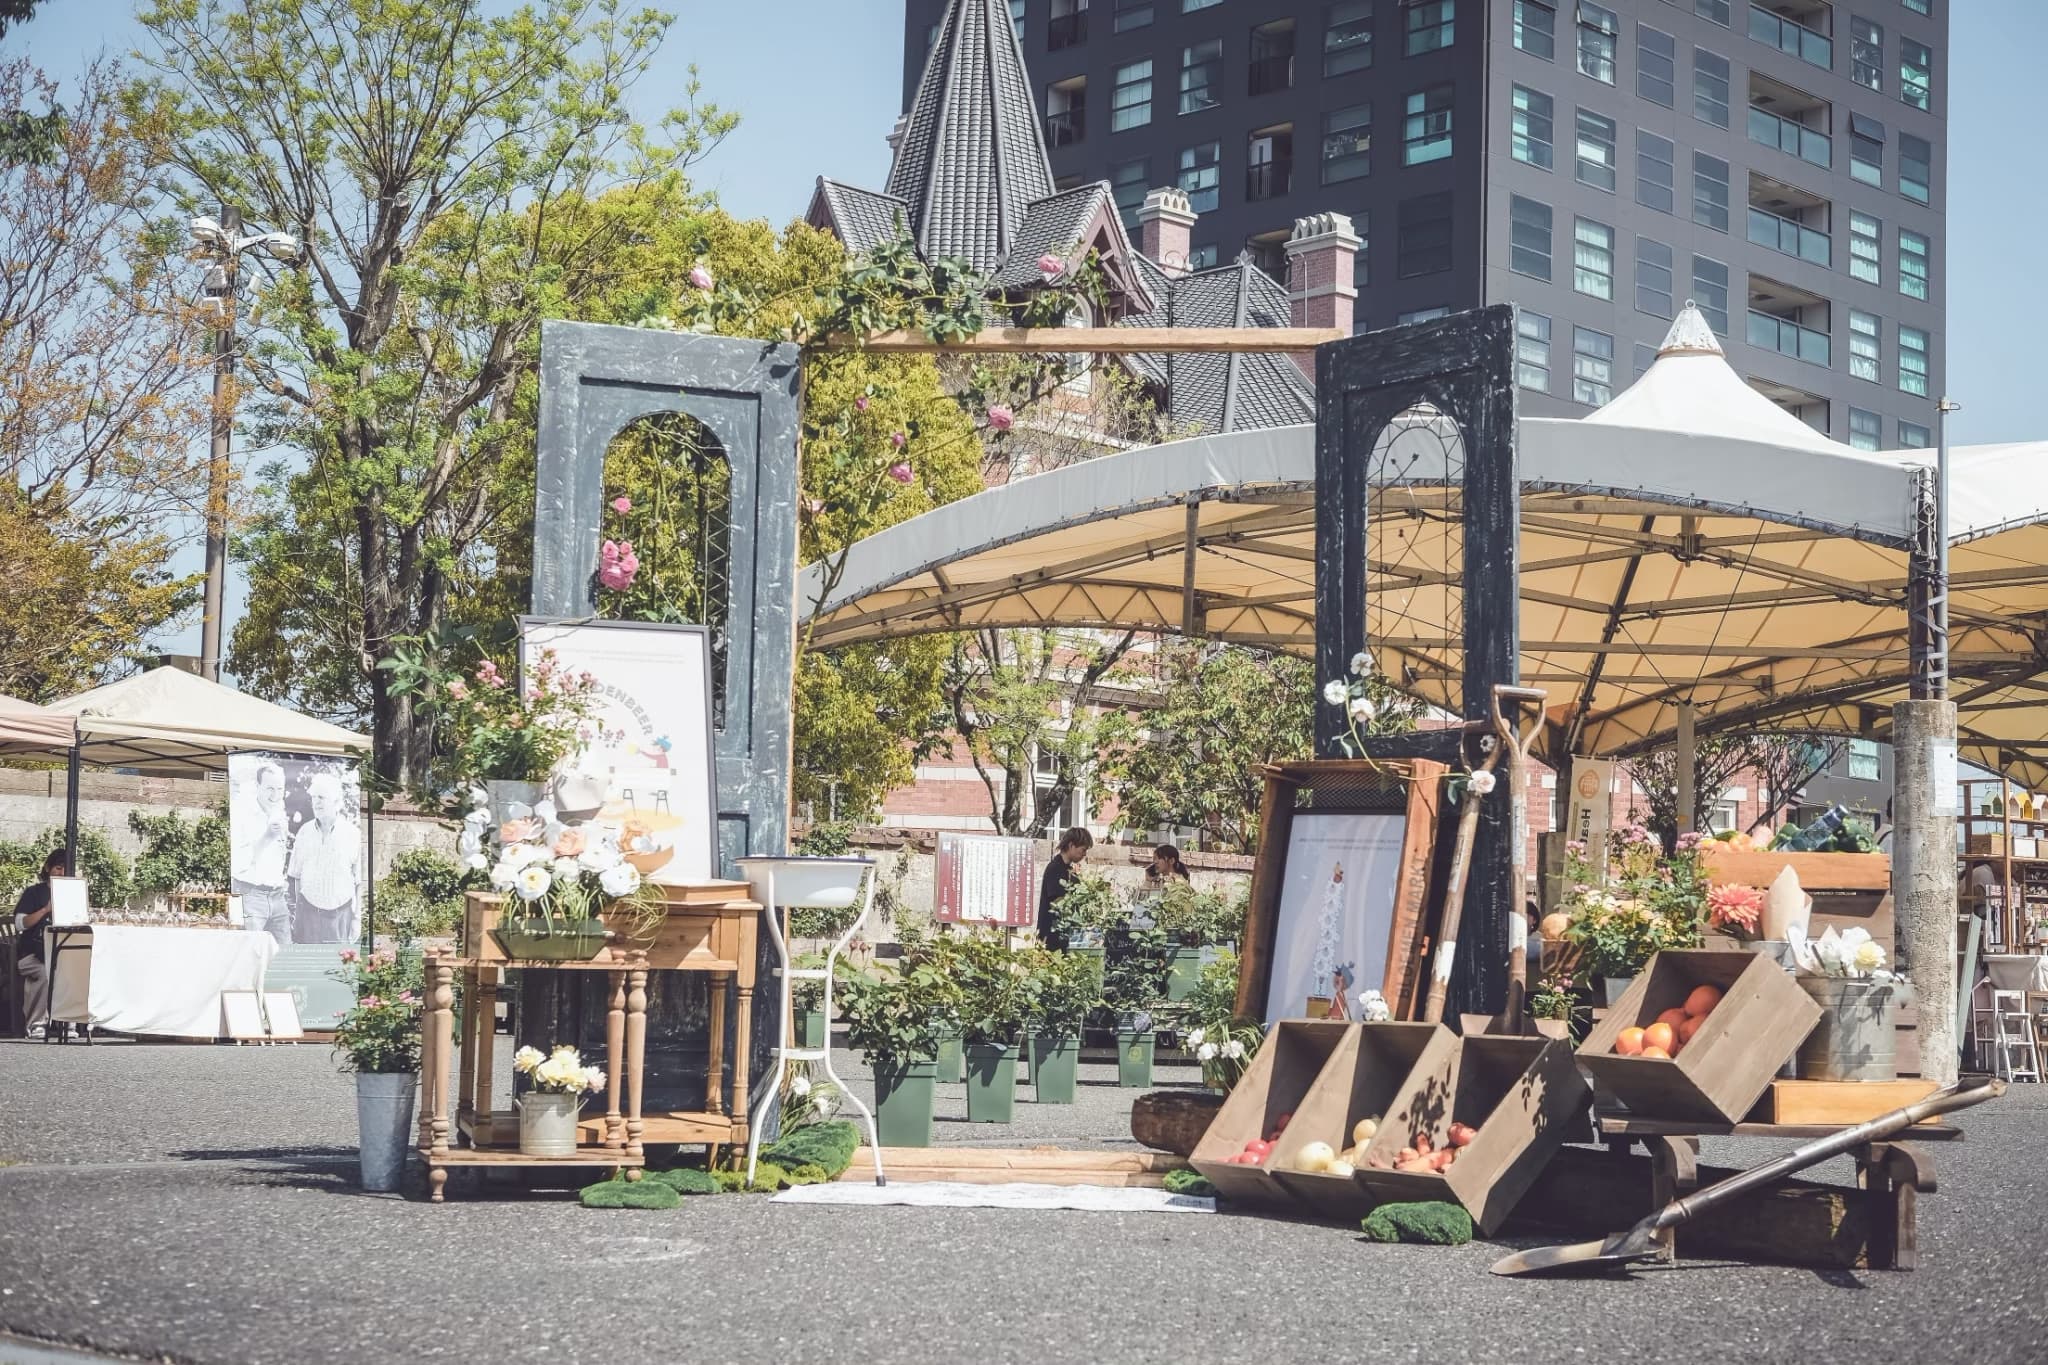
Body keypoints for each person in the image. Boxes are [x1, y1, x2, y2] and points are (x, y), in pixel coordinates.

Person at [288, 771, 361, 943]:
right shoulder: (304, 832)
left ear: (336, 802)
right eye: (314, 797)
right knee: (308, 960)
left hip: (340, 918)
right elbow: (296, 876)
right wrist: (298, 914)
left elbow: (360, 883)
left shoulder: (352, 834)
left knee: (338, 961)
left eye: (321, 797)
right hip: (308, 916)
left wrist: (357, 919)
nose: (316, 802)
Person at [231, 760, 293, 945]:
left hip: (277, 896)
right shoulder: (242, 814)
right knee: (249, 952)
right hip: (249, 894)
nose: (275, 795)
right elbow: (239, 861)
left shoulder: (279, 814)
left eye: (279, 789)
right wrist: (267, 837)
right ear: (258, 786)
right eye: (270, 789)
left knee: (285, 954)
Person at [13, 849, 66, 1031]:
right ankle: (36, 1024)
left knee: (74, 970)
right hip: (31, 954)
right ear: (48, 868)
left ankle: (68, 1022)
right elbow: (20, 924)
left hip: (60, 953)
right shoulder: (34, 892)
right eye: (58, 868)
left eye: (65, 869)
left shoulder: (72, 893)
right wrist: (45, 910)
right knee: (44, 972)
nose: (62, 873)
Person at [1035, 826, 1094, 951]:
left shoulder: (1069, 870)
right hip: (1051, 938)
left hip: (1064, 936)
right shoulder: (1055, 868)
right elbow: (1059, 901)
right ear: (1071, 845)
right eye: (1083, 850)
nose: (1084, 854)